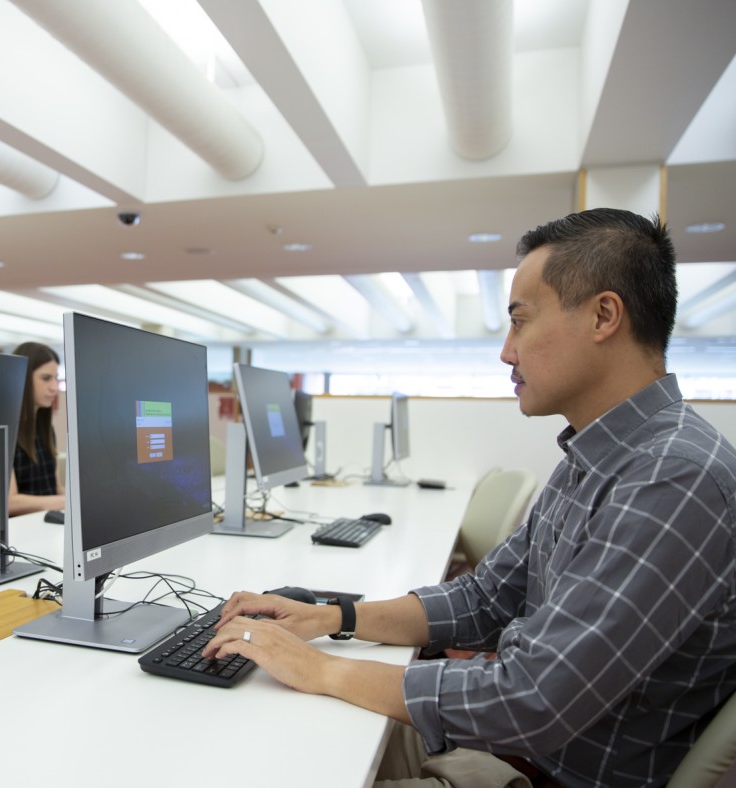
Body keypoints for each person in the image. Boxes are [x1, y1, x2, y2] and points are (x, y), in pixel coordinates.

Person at [203, 208, 736, 787]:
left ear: (604, 316)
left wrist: (323, 670)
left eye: (521, 322)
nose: (507, 352)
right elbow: (485, 599)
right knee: (283, 738)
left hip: (546, 772)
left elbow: (532, 700)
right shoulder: (598, 454)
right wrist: (334, 617)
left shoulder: (672, 478)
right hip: (515, 752)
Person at [8, 342, 65, 516]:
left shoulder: (45, 429)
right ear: (23, 377)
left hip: (44, 523)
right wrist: (64, 501)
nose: (54, 387)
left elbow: (54, 486)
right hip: (20, 531)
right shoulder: (2, 431)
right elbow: (8, 502)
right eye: (46, 378)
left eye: (56, 378)